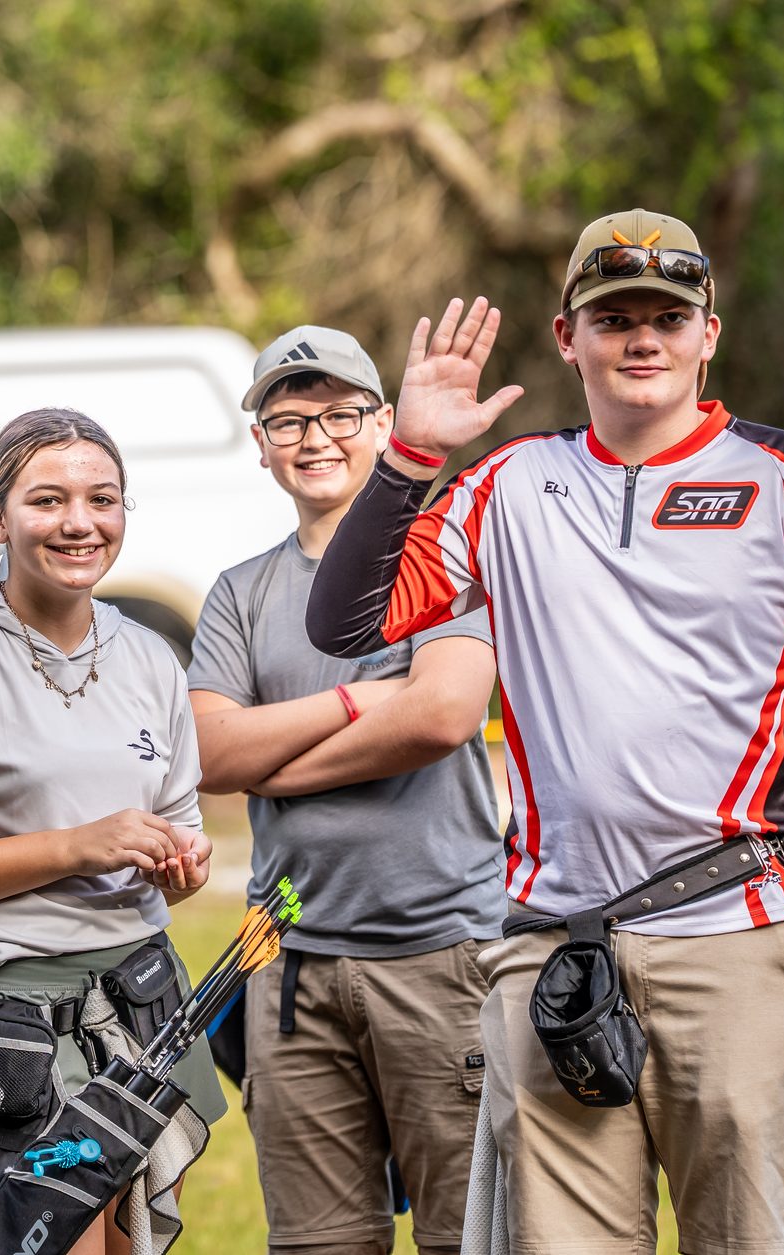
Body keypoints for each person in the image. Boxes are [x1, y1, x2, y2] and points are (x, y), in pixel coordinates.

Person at [306, 209, 784, 1253]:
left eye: (667, 317)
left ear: (708, 335)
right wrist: (410, 454)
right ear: (569, 338)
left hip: (739, 936)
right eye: (614, 318)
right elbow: (344, 622)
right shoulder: (505, 486)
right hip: (552, 946)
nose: (643, 338)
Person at [0, 408, 226, 1255]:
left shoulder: (150, 658)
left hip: (140, 1003)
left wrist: (182, 865)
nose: (79, 522)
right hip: (20, 1026)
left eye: (103, 498)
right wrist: (75, 846)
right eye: (47, 499)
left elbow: (178, 831)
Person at [188, 325, 502, 1255]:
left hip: (441, 954)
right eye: (289, 421)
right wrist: (359, 699)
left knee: (468, 1235)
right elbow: (207, 753)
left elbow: (441, 715)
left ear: (383, 424)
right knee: (317, 1242)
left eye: (340, 414)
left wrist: (276, 765)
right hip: (286, 964)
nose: (315, 437)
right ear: (261, 445)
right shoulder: (239, 592)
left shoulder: (444, 559)